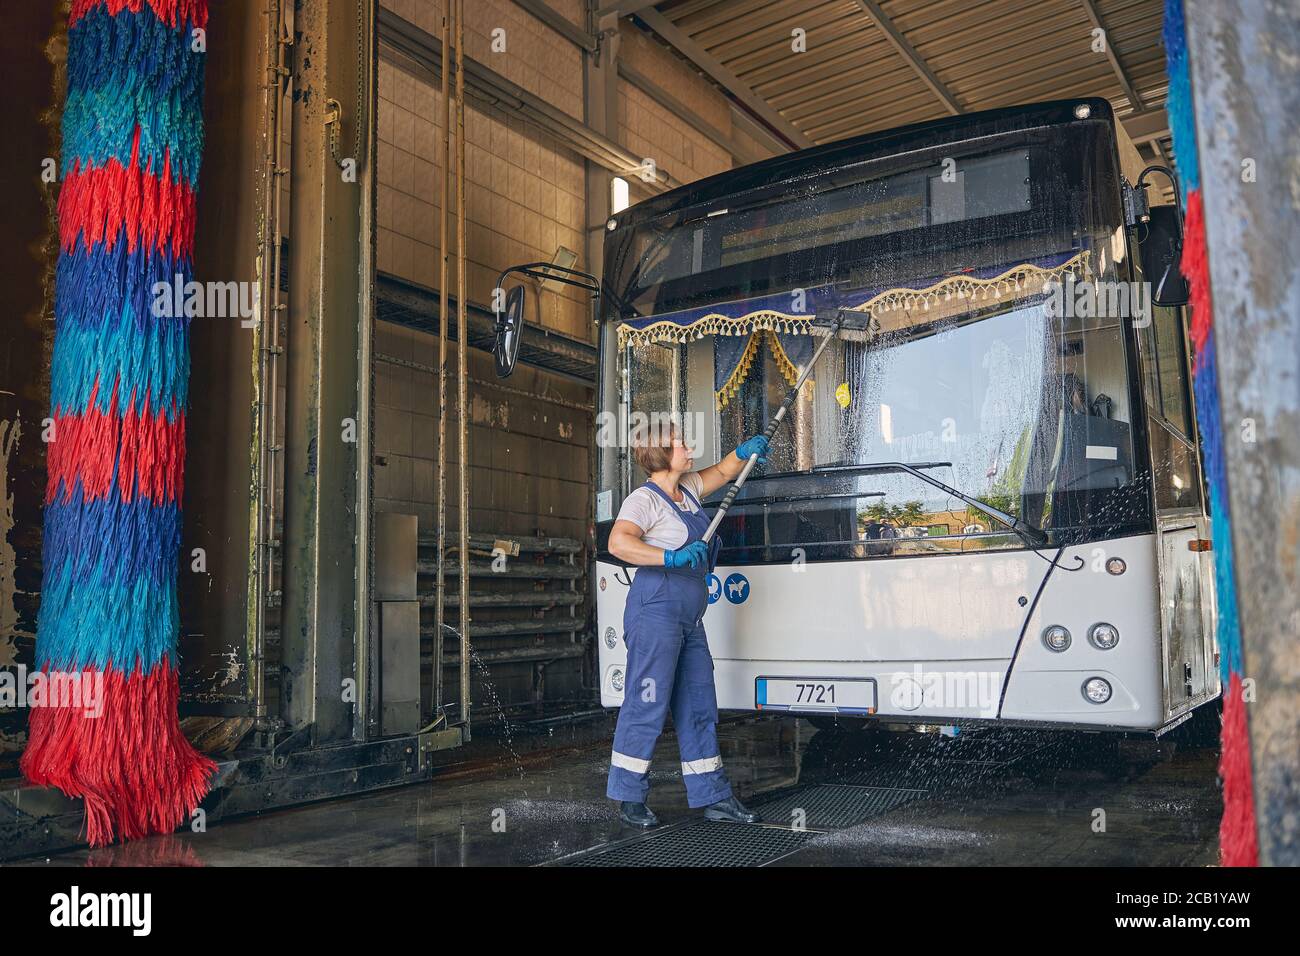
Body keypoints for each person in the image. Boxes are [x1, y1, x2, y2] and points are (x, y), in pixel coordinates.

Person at [605, 419, 770, 827]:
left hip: (688, 619)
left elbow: (723, 471)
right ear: (661, 450)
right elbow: (618, 542)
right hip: (654, 612)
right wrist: (670, 558)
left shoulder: (687, 492)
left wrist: (746, 450)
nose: (687, 445)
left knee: (698, 703)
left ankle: (713, 796)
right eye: (679, 442)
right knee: (647, 702)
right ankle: (628, 796)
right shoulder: (645, 500)